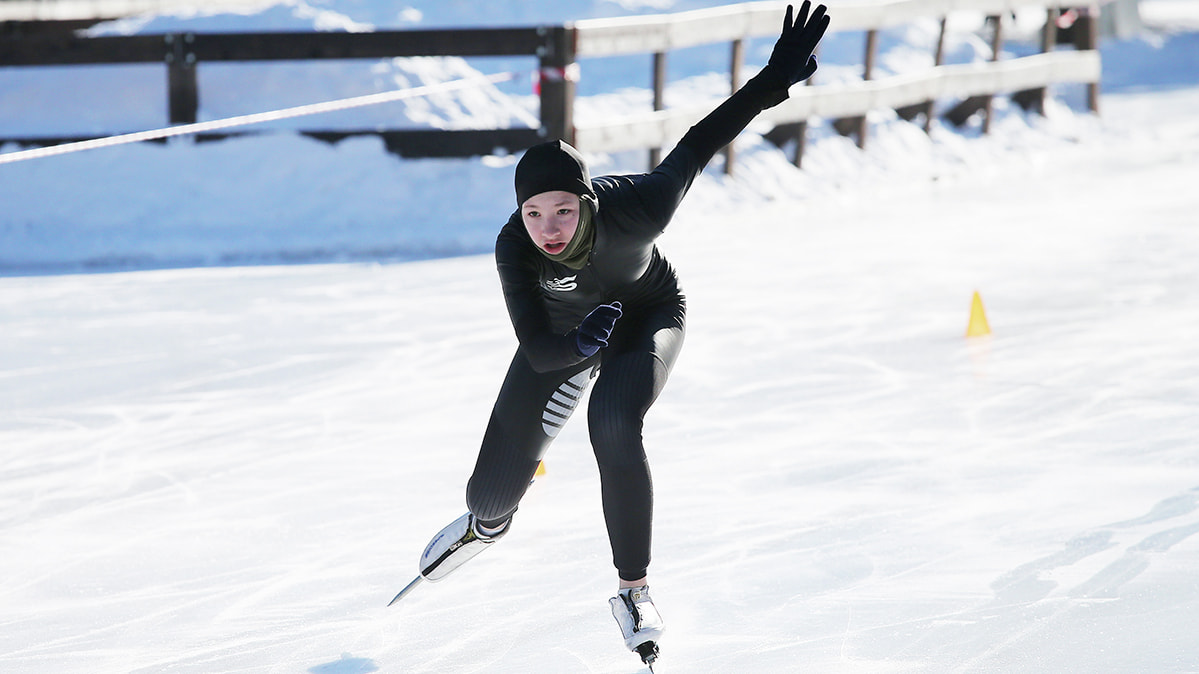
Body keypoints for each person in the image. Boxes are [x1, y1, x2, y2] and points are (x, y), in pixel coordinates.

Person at [414, 2, 830, 662]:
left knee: (611, 420)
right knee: (486, 495)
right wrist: (578, 345)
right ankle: (486, 528)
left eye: (561, 209)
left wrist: (773, 81)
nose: (547, 226)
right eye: (532, 212)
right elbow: (535, 345)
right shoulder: (513, 248)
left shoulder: (639, 207)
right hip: (563, 339)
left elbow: (700, 139)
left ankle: (633, 590)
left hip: (645, 317)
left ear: (587, 202)